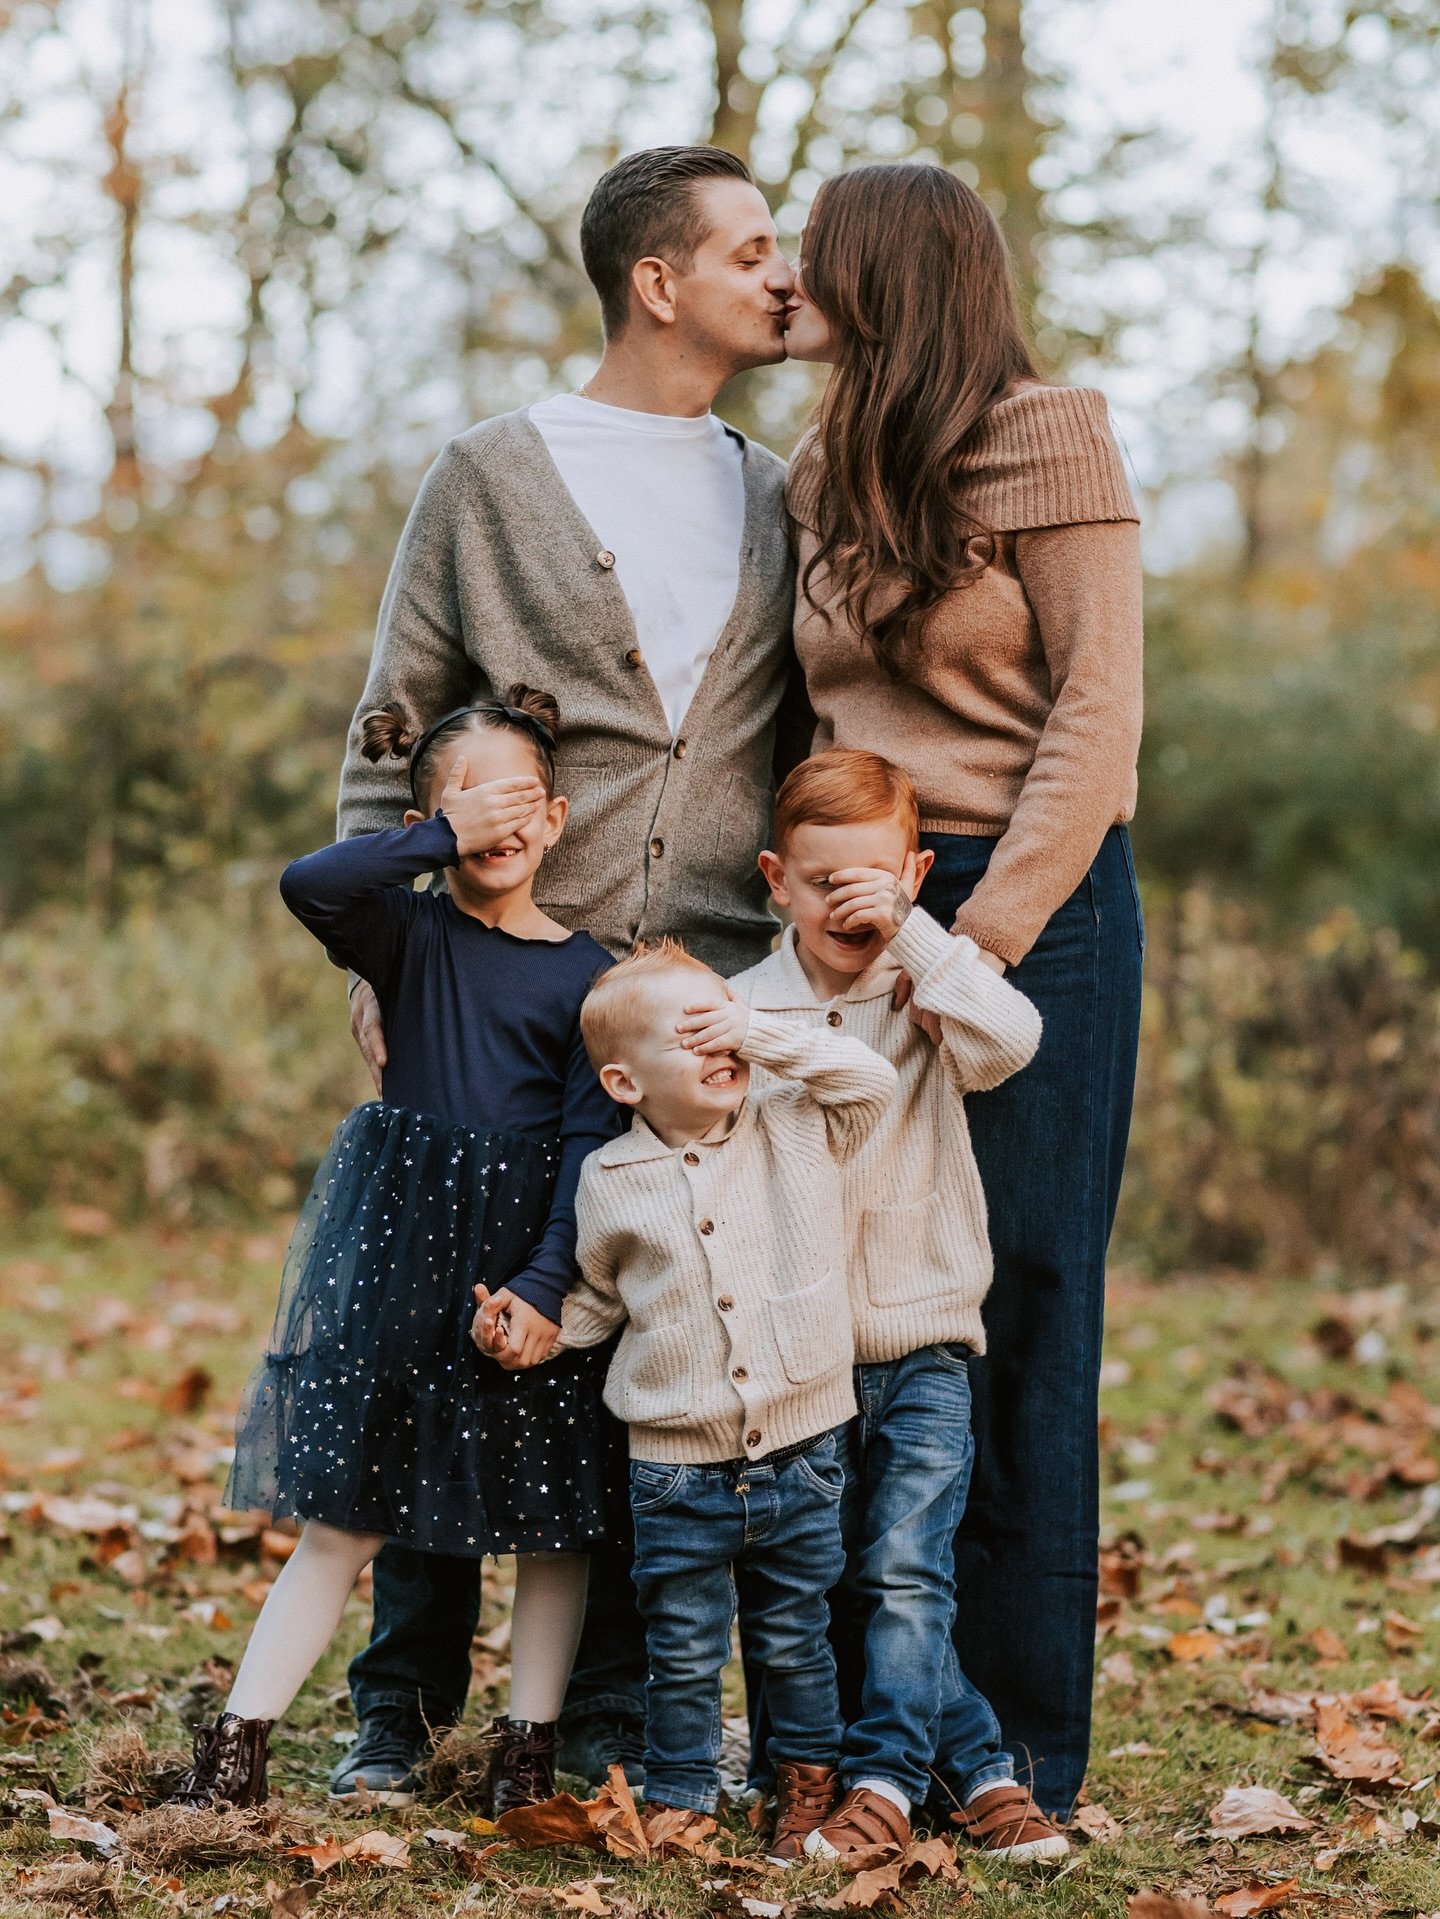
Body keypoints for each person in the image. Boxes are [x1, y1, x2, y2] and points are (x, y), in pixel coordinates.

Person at [331, 144, 801, 1800]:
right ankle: (395, 1706)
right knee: (454, 1327)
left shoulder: (776, 483)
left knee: (643, 1341)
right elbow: (397, 713)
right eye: (753, 250)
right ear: (657, 281)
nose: (785, 274)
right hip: (516, 981)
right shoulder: (492, 474)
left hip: (698, 1001)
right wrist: (391, 944)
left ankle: (601, 1716)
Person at [782, 163, 1144, 1820]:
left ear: (889, 276)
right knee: (868, 1311)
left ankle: (1017, 1744)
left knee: (1029, 1299)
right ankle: (886, 1726)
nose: (794, 277)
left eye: (817, 256)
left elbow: (1096, 715)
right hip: (856, 903)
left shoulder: (1052, 431)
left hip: (1033, 905)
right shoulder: (820, 463)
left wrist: (978, 936)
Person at [169, 691, 623, 1815]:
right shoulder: (407, 934)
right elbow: (307, 884)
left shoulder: (590, 977)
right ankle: (238, 1744)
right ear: (428, 819)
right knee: (349, 1518)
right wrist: (438, 838)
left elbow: (587, 1144)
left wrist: (546, 1285)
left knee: (553, 1524)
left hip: (524, 1271)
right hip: (407, 1267)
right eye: (464, 800)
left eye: (517, 799)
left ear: (557, 818)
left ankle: (527, 1747)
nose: (492, 822)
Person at [730, 749, 1063, 1863]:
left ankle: (879, 1778)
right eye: (822, 879)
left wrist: (919, 934)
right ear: (777, 878)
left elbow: (1014, 1042)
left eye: (872, 876)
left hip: (922, 1345)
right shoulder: (744, 1008)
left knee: (908, 1567)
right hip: (804, 1364)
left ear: (913, 870)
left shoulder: (928, 997)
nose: (847, 901)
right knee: (830, 1580)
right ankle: (977, 1768)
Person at [504, 940, 895, 1863]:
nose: (723, 1047)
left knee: (794, 1637)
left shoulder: (792, 1117)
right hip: (674, 1466)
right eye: (695, 1035)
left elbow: (871, 1080)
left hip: (800, 1445)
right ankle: (683, 1791)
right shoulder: (609, 1179)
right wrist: (537, 1330)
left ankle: (804, 1784)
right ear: (624, 1080)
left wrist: (757, 1029)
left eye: (726, 1024)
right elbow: (600, 1300)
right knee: (680, 1644)